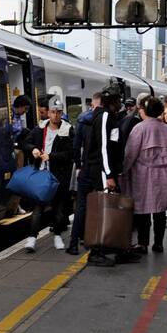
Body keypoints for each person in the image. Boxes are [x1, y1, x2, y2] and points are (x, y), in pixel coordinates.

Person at [121, 96, 167, 253]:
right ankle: (158, 243)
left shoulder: (139, 128)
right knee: (160, 210)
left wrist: (124, 171)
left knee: (142, 210)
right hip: (164, 174)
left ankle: (143, 243)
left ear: (144, 110)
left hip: (142, 174)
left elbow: (130, 154)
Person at [79, 91, 131, 267]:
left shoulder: (110, 116)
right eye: (118, 100)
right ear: (110, 102)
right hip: (101, 169)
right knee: (104, 208)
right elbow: (103, 147)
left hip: (106, 169)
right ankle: (96, 251)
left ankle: (115, 247)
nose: (120, 104)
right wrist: (108, 174)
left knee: (112, 207)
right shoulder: (105, 116)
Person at [19, 99, 74, 251]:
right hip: (41, 176)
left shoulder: (68, 130)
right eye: (53, 112)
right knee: (38, 208)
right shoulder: (39, 129)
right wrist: (33, 149)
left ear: (62, 114)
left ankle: (57, 235)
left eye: (59, 112)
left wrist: (52, 156)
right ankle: (31, 239)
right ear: (48, 113)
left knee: (57, 209)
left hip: (58, 176)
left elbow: (70, 154)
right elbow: (25, 143)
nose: (56, 115)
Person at [66, 91, 102, 254]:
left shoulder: (81, 120)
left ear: (92, 103)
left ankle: (73, 244)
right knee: (99, 206)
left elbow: (75, 146)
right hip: (99, 169)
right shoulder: (104, 118)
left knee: (81, 206)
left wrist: (79, 166)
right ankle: (95, 243)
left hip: (85, 168)